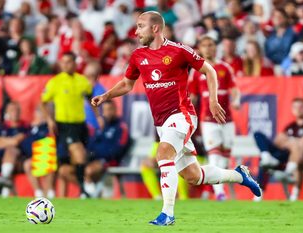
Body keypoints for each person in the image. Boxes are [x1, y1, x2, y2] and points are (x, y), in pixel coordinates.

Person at [92, 11, 261, 226]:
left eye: (141, 26)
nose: (136, 31)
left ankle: (167, 214)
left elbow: (209, 70)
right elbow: (127, 84)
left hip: (183, 115)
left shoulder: (179, 51)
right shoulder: (138, 56)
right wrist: (106, 95)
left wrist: (212, 101)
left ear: (155, 28)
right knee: (193, 176)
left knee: (162, 152)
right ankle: (239, 176)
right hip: (162, 123)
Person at [41, 51, 101, 198]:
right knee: (79, 155)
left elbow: (90, 99)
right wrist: (49, 119)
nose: (65, 64)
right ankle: (84, 187)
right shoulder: (55, 82)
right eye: (63, 62)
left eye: (69, 62)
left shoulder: (82, 81)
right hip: (64, 125)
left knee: (73, 163)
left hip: (80, 125)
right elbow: (44, 102)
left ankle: (82, 191)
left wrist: (98, 116)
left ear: (75, 63)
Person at [189, 35, 241, 201]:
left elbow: (234, 88)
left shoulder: (224, 67)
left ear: (215, 47)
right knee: (214, 153)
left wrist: (236, 100)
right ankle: (219, 193)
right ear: (200, 49)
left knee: (225, 154)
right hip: (207, 119)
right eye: (204, 45)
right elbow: (192, 95)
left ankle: (217, 188)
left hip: (227, 119)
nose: (208, 48)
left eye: (211, 44)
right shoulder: (197, 71)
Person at [58, 100, 130, 197]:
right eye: (105, 110)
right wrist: (88, 154)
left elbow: (118, 149)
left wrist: (96, 154)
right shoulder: (100, 127)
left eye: (109, 109)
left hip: (108, 161)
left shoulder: (121, 127)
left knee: (88, 170)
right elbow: (90, 145)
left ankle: (87, 192)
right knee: (64, 170)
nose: (107, 113)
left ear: (115, 110)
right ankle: (87, 191)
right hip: (92, 160)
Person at [253, 98, 303, 201]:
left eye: (301, 107)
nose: (298, 109)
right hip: (281, 154)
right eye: (295, 107)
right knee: (258, 134)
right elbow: (278, 141)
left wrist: (289, 141)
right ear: (292, 109)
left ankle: (284, 170)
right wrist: (290, 142)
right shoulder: (290, 126)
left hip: (293, 158)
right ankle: (266, 155)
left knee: (297, 149)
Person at [21, 107, 55, 199]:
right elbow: (24, 143)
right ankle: (38, 192)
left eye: (40, 112)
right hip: (31, 155)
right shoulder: (30, 128)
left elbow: (50, 141)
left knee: (47, 162)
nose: (38, 114)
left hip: (46, 155)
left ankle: (50, 191)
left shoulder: (48, 127)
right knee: (27, 164)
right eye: (37, 112)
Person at [140, 134, 189, 200]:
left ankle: (183, 198)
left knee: (180, 165)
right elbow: (157, 143)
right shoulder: (160, 126)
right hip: (168, 152)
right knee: (145, 166)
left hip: (187, 153)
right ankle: (157, 197)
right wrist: (152, 157)